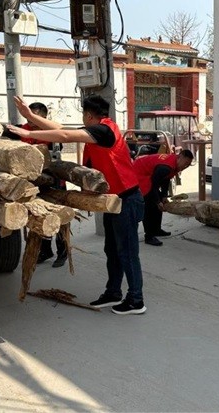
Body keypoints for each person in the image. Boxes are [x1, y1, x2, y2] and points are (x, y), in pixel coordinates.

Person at [8, 95, 146, 315]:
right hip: (114, 200)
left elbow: (64, 134)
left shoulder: (105, 131)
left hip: (127, 200)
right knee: (112, 250)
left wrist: (29, 132)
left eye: (83, 115)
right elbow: (61, 128)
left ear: (88, 115)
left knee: (127, 252)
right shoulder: (97, 130)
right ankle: (113, 292)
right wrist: (31, 116)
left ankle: (136, 300)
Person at [20, 101, 68, 268]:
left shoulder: (52, 133)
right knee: (39, 215)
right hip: (33, 181)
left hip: (53, 180)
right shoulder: (22, 130)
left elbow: (56, 152)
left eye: (35, 117)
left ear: (44, 118)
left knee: (59, 217)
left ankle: (63, 251)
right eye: (29, 117)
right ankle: (45, 250)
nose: (31, 121)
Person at [134, 150, 194, 246]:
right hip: (140, 174)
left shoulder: (173, 164)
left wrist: (164, 196)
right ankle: (149, 236)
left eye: (188, 165)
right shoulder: (166, 167)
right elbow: (154, 184)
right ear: (180, 157)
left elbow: (166, 179)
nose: (185, 167)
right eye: (185, 163)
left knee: (159, 203)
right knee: (150, 206)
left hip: (150, 176)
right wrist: (158, 201)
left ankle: (157, 229)